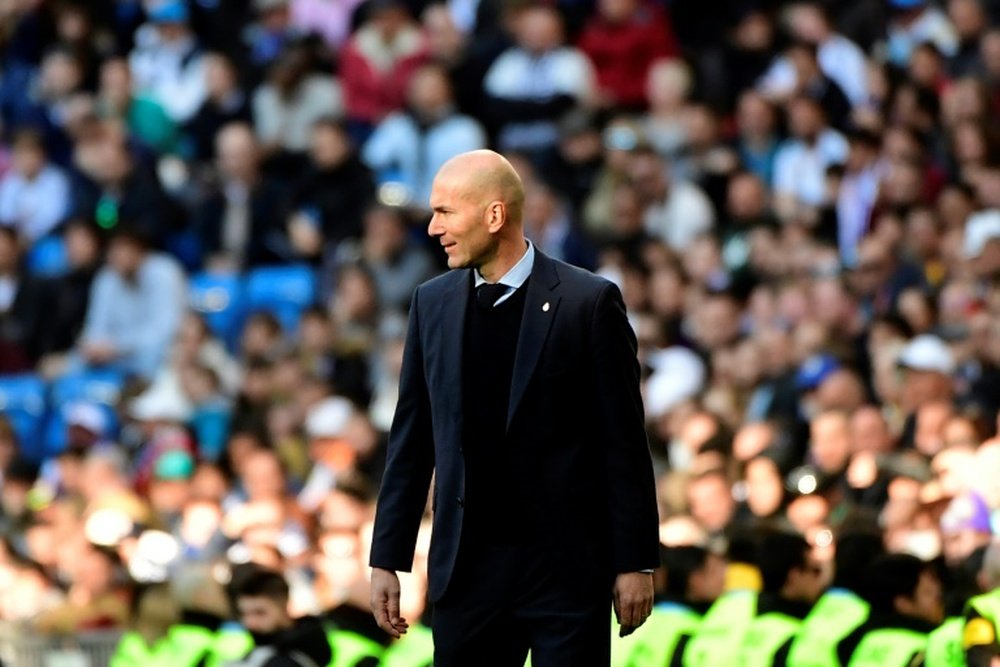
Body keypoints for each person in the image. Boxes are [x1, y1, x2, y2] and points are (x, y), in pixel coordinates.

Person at [368, 149, 659, 665]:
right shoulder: (430, 303)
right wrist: (387, 558)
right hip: (467, 573)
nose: (433, 228)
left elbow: (622, 442)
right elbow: (411, 439)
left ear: (494, 215)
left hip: (566, 572)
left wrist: (634, 561)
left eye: (445, 212)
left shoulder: (587, 302)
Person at [836, 553, 944, 666]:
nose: (939, 600)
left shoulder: (853, 644)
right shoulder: (931, 645)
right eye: (928, 593)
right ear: (903, 603)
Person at [227, 564, 332, 667]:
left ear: (283, 605)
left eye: (259, 612)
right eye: (243, 613)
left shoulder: (290, 657)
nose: (250, 622)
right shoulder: (264, 647)